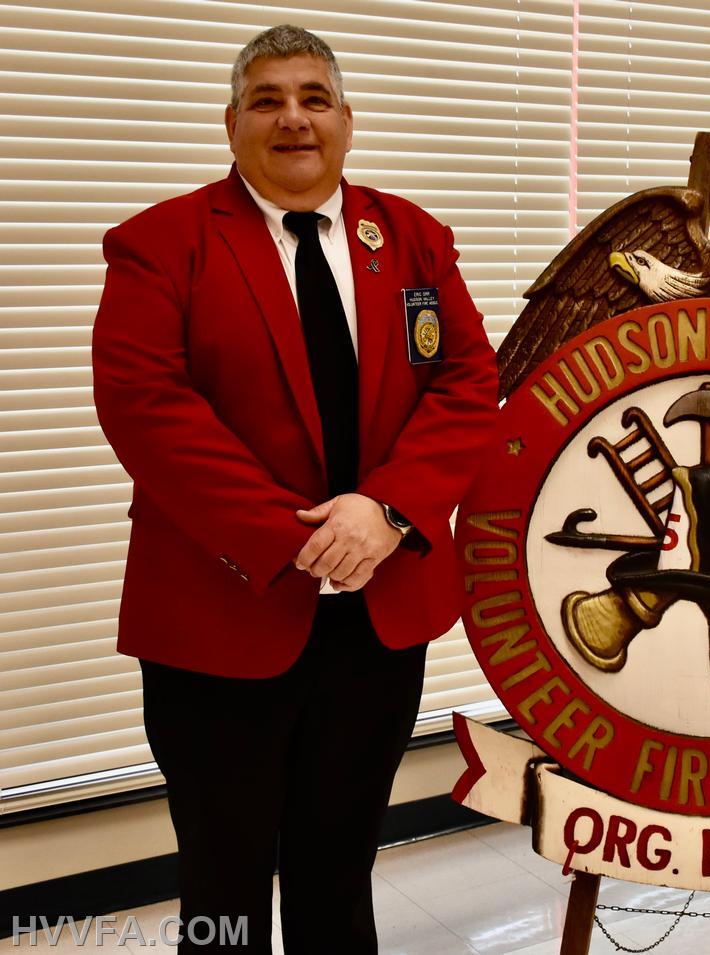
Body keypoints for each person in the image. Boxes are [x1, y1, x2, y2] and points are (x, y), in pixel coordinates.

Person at [91, 24, 498, 954]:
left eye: (314, 98)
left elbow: (468, 383)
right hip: (221, 612)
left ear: (347, 121)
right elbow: (147, 408)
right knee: (225, 882)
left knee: (339, 862)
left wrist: (387, 510)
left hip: (377, 615)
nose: (293, 119)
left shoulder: (413, 239)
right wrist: (299, 534)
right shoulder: (161, 244)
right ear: (232, 124)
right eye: (267, 99)